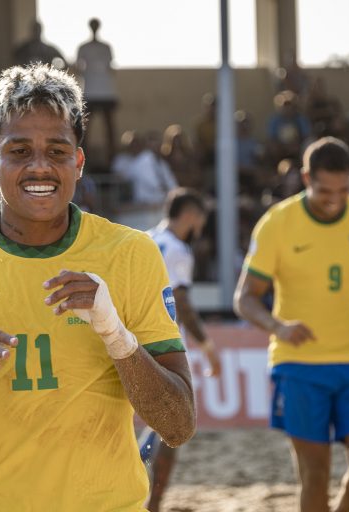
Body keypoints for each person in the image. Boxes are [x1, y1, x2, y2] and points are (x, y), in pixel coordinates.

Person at [0, 64, 196, 511]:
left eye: (56, 150)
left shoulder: (132, 253)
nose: (39, 167)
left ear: (79, 161)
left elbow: (178, 424)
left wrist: (117, 336)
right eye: (19, 151)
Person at [233, 136, 349, 512]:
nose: (335, 199)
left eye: (344, 190)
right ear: (306, 177)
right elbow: (244, 299)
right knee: (315, 475)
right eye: (326, 190)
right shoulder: (277, 223)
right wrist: (279, 327)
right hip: (298, 365)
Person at [145, 188, 221, 512]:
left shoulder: (145, 239)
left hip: (129, 343)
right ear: (190, 214)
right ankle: (154, 504)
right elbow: (183, 304)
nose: (202, 224)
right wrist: (206, 345)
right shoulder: (177, 249)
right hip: (164, 346)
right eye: (201, 216)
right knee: (174, 425)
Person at [76, 17, 118, 162]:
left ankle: (112, 158)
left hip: (106, 92)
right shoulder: (83, 47)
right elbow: (79, 68)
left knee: (110, 128)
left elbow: (110, 68)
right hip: (90, 92)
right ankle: (84, 159)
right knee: (85, 128)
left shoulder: (106, 47)